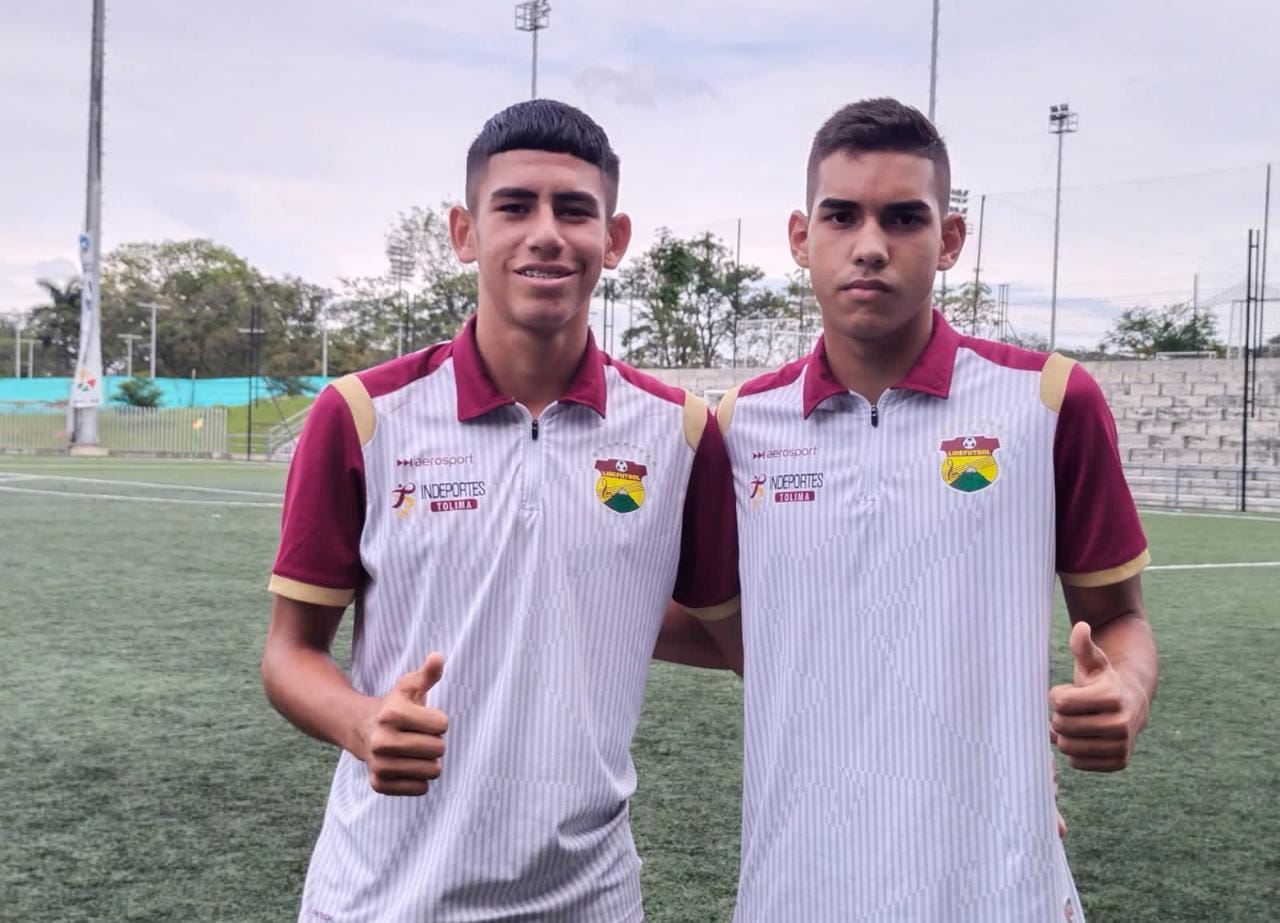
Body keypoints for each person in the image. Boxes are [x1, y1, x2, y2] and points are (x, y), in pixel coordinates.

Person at [260, 98, 739, 922]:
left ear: (613, 239)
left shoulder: (681, 433)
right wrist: (361, 721)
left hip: (590, 898)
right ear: (464, 231)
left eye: (574, 210)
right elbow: (288, 652)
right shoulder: (363, 415)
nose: (545, 233)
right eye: (514, 206)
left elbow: (742, 641)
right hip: (382, 896)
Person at [713, 98, 1158, 921]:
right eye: (841, 216)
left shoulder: (1049, 401)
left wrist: (1125, 689)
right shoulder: (741, 426)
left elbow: (1120, 617)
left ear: (950, 239)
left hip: (999, 887)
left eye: (904, 218)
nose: (870, 245)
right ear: (801, 237)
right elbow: (709, 623)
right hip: (795, 885)